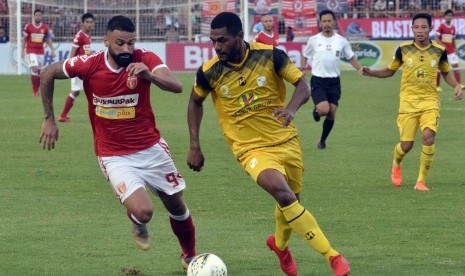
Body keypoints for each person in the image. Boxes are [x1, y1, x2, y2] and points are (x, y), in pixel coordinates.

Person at [187, 12, 350, 276]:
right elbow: (195, 101)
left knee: (291, 201)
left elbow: (303, 86)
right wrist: (194, 144)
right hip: (250, 148)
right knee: (284, 195)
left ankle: (280, 246)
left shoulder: (270, 55)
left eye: (222, 40)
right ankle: (333, 257)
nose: (216, 47)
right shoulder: (210, 71)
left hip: (286, 140)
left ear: (240, 36)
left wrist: (291, 110)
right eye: (213, 41)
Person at [39, 15, 197, 270]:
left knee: (176, 203)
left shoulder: (144, 58)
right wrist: (49, 118)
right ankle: (137, 219)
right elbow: (47, 73)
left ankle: (189, 256)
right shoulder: (89, 64)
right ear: (107, 42)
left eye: (130, 43)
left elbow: (176, 85)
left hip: (151, 148)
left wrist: (150, 76)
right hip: (114, 155)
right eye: (120, 43)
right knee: (144, 212)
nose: (126, 49)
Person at [362, 13, 463, 191]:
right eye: (416, 27)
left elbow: (446, 72)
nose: (420, 31)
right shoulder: (403, 49)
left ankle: (421, 181)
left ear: (430, 29)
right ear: (412, 29)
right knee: (406, 145)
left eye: (423, 27)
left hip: (430, 101)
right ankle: (396, 163)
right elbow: (389, 71)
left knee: (429, 136)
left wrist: (456, 85)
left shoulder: (439, 50)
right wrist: (371, 72)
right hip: (408, 103)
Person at [301, 9, 363, 149]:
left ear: (334, 22)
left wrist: (359, 68)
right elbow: (305, 55)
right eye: (324, 21)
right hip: (318, 80)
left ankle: (322, 141)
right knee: (324, 109)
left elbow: (351, 57)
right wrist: (303, 68)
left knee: (331, 113)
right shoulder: (314, 40)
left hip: (334, 81)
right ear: (320, 23)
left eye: (329, 21)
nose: (327, 24)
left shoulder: (341, 41)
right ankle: (317, 111)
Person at [58, 13, 95, 123]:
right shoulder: (79, 36)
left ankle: (63, 115)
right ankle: (97, 115)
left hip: (85, 67)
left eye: (91, 22)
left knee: (77, 91)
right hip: (79, 68)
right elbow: (72, 53)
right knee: (90, 90)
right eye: (87, 22)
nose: (89, 24)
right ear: (82, 23)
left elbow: (85, 51)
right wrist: (71, 68)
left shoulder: (88, 35)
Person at [21, 9, 55, 97]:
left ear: (41, 17)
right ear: (34, 16)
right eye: (36, 15)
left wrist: (52, 49)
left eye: (39, 15)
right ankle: (35, 91)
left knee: (40, 72)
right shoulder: (28, 27)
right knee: (35, 69)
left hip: (40, 52)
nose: (38, 17)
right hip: (31, 51)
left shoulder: (45, 27)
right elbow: (24, 39)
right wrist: (22, 50)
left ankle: (37, 88)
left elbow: (48, 39)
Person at [435, 9, 464, 92]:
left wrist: (455, 48)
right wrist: (442, 45)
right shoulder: (441, 26)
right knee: (439, 68)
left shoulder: (453, 28)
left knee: (456, 66)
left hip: (451, 51)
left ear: (452, 17)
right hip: (442, 51)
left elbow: (453, 39)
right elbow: (436, 38)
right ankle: (437, 86)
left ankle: (459, 85)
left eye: (450, 16)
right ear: (445, 17)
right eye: (447, 16)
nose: (449, 17)